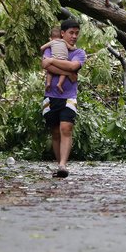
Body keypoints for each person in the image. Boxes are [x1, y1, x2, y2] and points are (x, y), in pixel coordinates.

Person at [41, 19, 86, 178]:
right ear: (62, 33)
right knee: (55, 131)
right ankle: (59, 165)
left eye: (76, 33)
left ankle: (63, 164)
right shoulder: (52, 46)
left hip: (69, 97)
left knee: (66, 128)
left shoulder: (79, 53)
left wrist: (54, 61)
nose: (74, 36)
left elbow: (74, 66)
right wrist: (68, 73)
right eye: (71, 33)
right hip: (51, 97)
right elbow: (45, 65)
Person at [39, 27, 76, 93]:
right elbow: (70, 48)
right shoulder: (63, 41)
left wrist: (42, 53)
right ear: (61, 36)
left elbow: (42, 48)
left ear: (51, 37)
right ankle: (59, 84)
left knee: (50, 72)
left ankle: (48, 83)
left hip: (54, 59)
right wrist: (74, 48)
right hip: (63, 60)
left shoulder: (52, 42)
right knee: (63, 73)